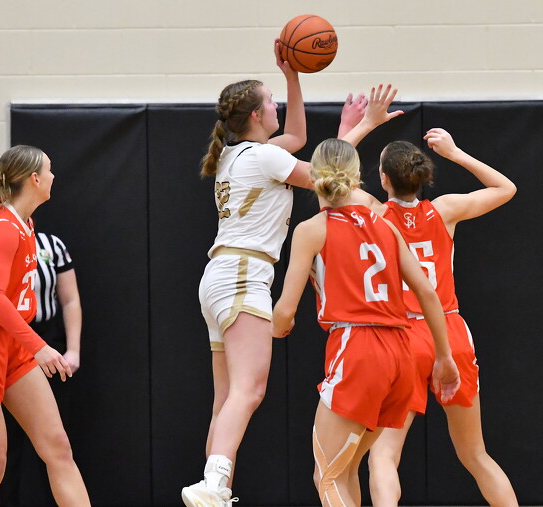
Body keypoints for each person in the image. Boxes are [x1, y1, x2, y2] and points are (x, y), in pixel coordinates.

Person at [180, 37, 403, 506]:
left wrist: (293, 76)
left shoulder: (236, 154)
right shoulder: (265, 157)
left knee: (228, 399)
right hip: (244, 275)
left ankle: (213, 487)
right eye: (271, 101)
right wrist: (364, 125)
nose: (277, 105)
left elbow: (299, 138)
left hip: (219, 277)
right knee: (248, 390)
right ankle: (214, 485)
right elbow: (329, 178)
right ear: (255, 115)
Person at [271, 137, 461, 507]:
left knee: (326, 476)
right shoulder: (386, 226)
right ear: (359, 176)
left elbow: (284, 312)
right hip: (401, 354)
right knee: (346, 470)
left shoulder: (312, 229)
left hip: (357, 348)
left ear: (314, 177)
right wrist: (444, 355)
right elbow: (427, 292)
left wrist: (275, 329)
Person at [366, 129, 518, 506]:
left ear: (384, 179)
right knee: (476, 455)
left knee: (383, 456)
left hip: (402, 336)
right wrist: (456, 153)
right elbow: (506, 188)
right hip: (449, 331)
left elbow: (324, 177)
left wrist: (360, 124)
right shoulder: (445, 209)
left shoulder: (373, 214)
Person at [0, 145, 90, 506]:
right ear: (35, 179)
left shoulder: (25, 224)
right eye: (49, 170)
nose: (54, 176)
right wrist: (39, 346)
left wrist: (29, 345)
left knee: (58, 447)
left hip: (12, 344)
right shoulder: (3, 228)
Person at [0, 230, 82, 506]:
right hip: (7, 344)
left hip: (49, 340)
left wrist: (73, 350)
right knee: (3, 447)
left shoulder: (50, 245)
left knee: (55, 443)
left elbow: (70, 299)